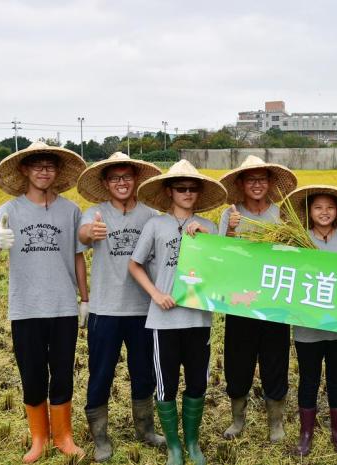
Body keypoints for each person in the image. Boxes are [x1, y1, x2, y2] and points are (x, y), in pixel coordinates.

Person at [0, 142, 87, 463]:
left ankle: (64, 436)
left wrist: (85, 299)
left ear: (57, 173)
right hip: (26, 308)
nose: (44, 171)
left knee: (62, 373)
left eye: (50, 166)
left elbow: (78, 257)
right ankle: (39, 438)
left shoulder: (70, 211)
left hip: (63, 307)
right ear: (26, 171)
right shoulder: (9, 210)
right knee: (31, 374)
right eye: (38, 166)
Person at [128, 159, 227, 465]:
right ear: (169, 191)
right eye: (181, 188)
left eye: (192, 188)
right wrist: (156, 294)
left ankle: (193, 442)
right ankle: (174, 446)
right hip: (164, 320)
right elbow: (135, 264)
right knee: (166, 383)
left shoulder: (208, 227)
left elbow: (221, 270)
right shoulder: (155, 225)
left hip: (198, 318)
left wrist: (208, 241)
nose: (187, 193)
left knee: (197, 382)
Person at [76, 152, 163, 462]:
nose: (122, 183)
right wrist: (90, 233)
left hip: (143, 309)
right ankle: (100, 437)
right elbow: (84, 234)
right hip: (105, 310)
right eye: (115, 178)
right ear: (105, 183)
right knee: (100, 374)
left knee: (144, 373)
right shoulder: (94, 214)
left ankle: (145, 429)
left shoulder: (152, 215)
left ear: (136, 180)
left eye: (127, 177)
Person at [217, 155, 297, 442]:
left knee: (276, 360)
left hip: (274, 301)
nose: (256, 185)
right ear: (240, 184)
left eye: (262, 179)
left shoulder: (283, 215)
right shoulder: (231, 214)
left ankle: (275, 421)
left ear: (270, 183)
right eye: (250, 180)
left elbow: (295, 256)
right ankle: (237, 419)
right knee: (238, 361)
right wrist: (229, 231)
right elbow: (220, 258)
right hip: (239, 302)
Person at [283, 185, 337, 459]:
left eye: (330, 207)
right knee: (308, 379)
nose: (324, 212)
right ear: (309, 212)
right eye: (318, 207)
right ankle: (306, 435)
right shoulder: (298, 239)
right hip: (307, 327)